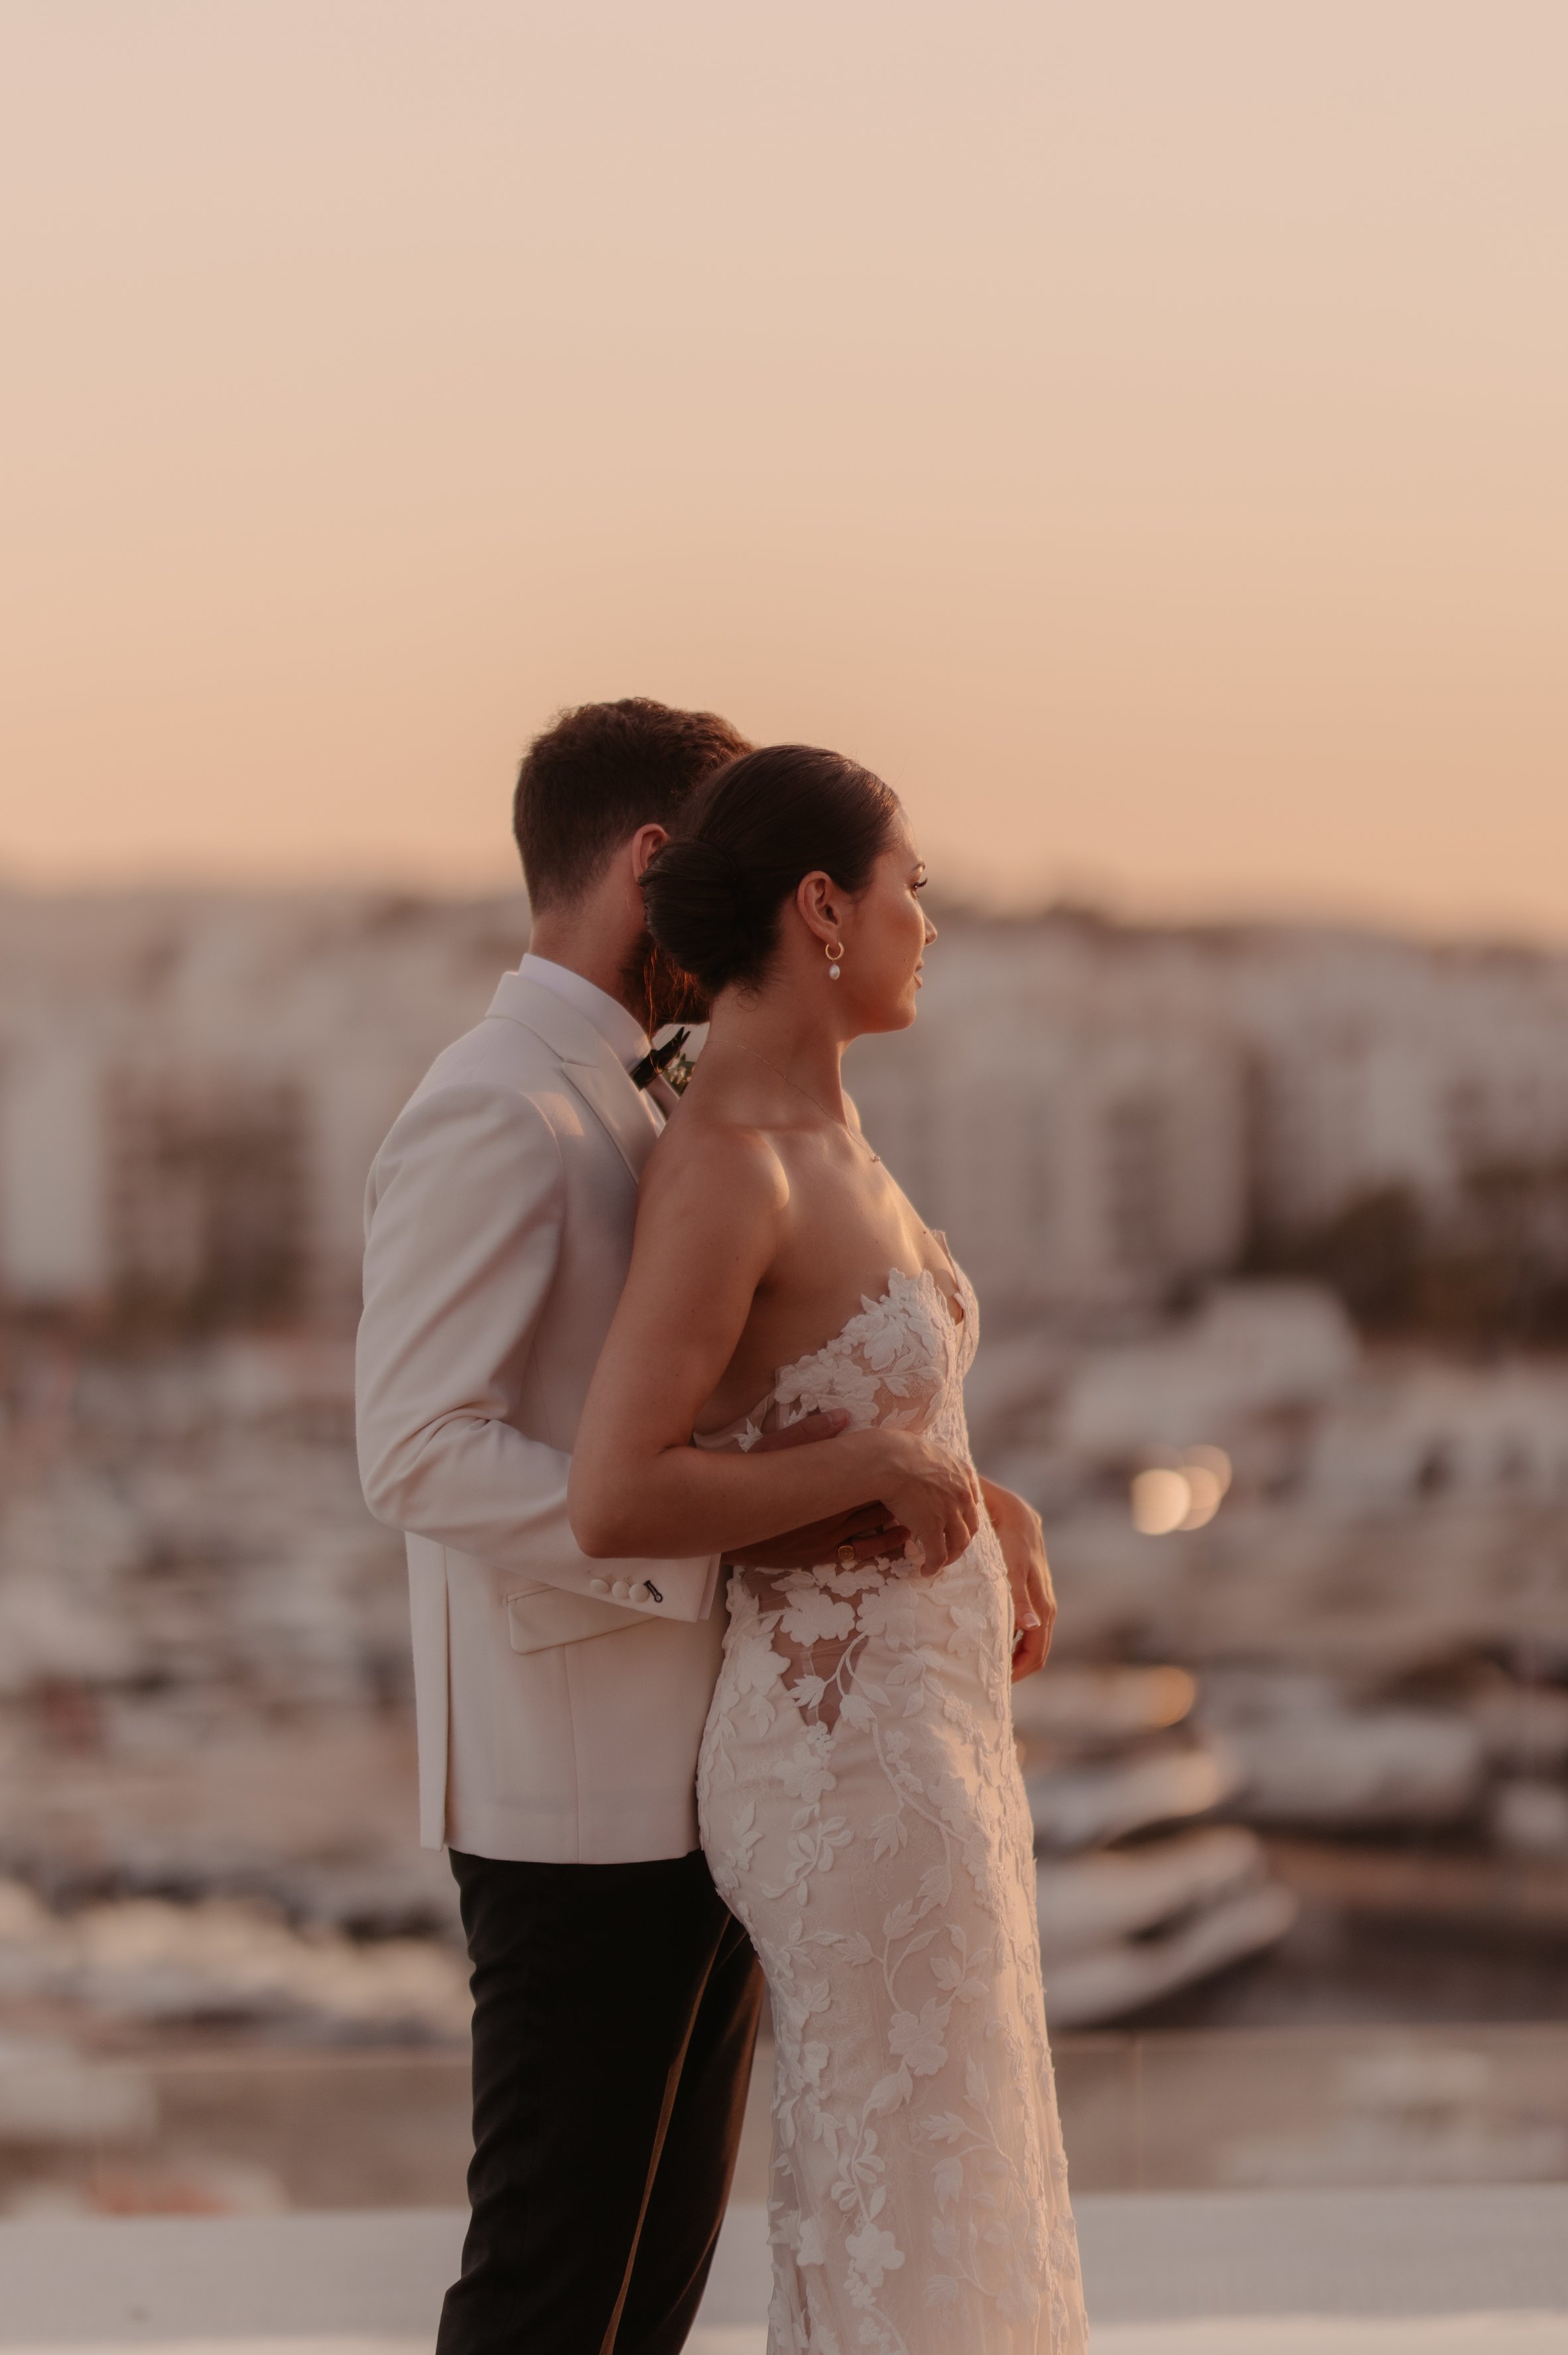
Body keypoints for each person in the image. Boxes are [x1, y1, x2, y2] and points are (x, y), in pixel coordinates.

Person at [356, 701, 914, 2355]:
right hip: (570, 1800)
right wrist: (714, 1542)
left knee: (642, 2305)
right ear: (651, 867)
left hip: (699, 1785)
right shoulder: (492, 1108)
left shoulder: (646, 1098)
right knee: (549, 2292)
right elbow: (417, 1450)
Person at [570, 745, 1084, 2354]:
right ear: (819, 909)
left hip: (929, 1738)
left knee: (956, 2190)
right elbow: (614, 1493)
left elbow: (843, 1401)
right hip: (839, 1761)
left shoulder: (835, 1135)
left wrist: (976, 1496)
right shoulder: (726, 1167)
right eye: (905, 887)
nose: (924, 921)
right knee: (905, 2209)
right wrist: (874, 1458)